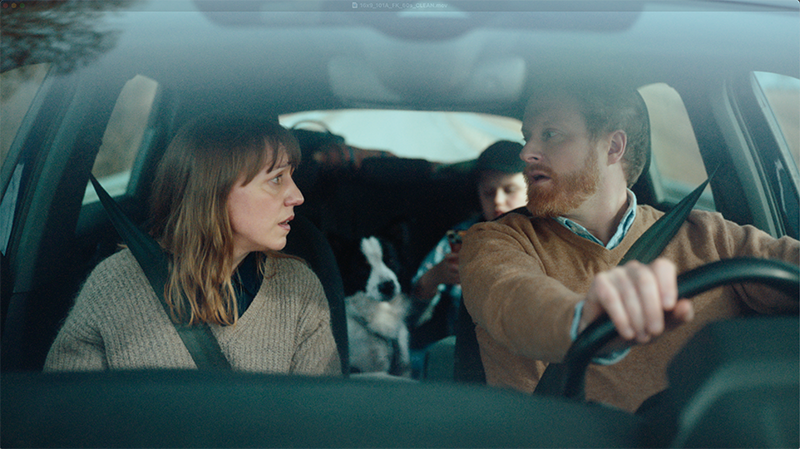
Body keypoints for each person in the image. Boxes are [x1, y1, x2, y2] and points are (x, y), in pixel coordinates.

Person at [459, 81, 799, 412]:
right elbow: (510, 298)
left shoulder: (710, 235)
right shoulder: (496, 240)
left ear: (613, 147)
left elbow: (787, 262)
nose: (526, 152)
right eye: (527, 137)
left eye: (550, 134)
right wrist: (584, 321)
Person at [45, 114, 341, 375]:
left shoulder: (299, 289)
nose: (297, 196)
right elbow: (64, 410)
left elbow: (319, 414)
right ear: (215, 190)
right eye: (276, 179)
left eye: (291, 177)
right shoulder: (114, 286)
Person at [410, 140, 527, 350]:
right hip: (465, 350)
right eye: (488, 193)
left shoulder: (552, 236)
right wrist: (435, 276)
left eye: (510, 190)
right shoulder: (462, 237)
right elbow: (409, 317)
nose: (498, 201)